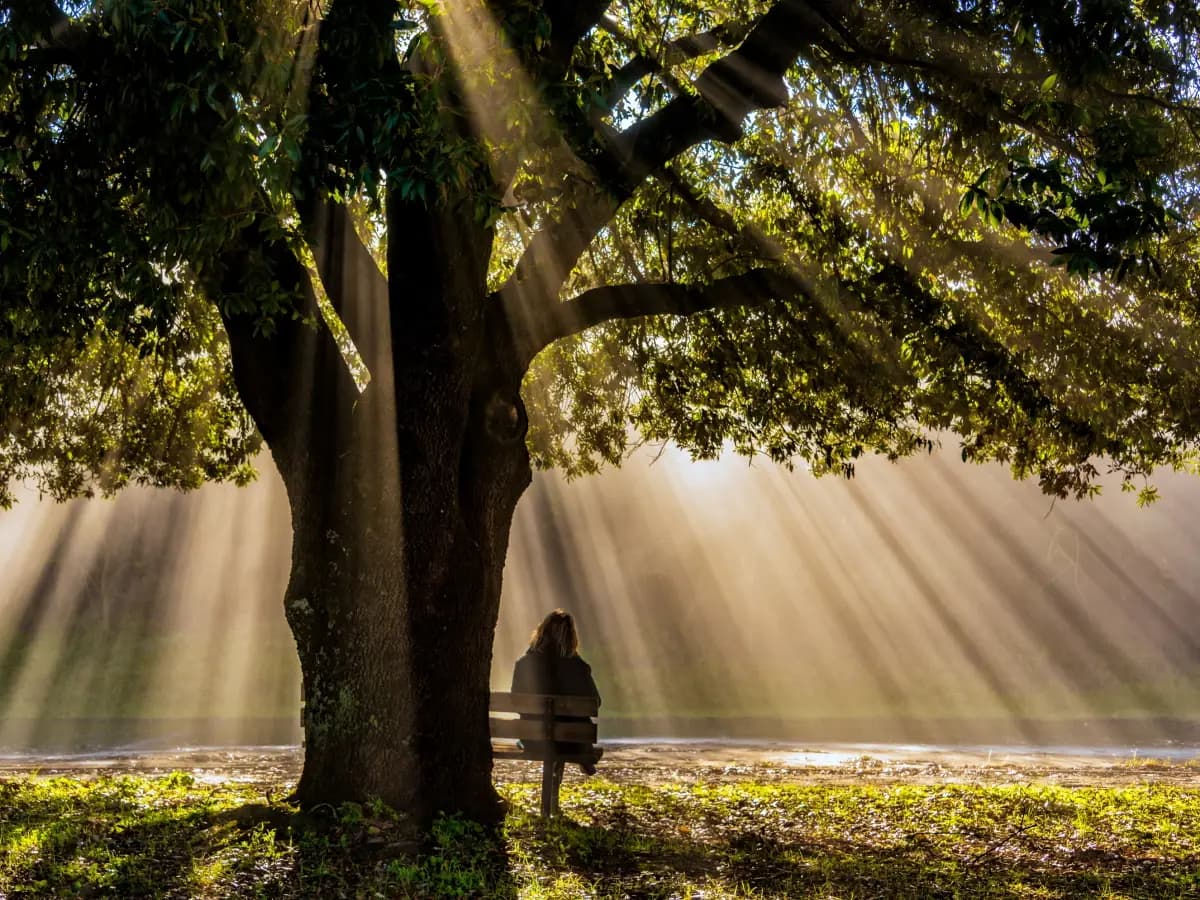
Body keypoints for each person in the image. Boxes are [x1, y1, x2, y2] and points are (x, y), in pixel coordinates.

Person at [511, 609, 603, 777]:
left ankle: (570, 761)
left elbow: (516, 703)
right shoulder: (579, 667)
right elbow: (595, 702)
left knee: (547, 726)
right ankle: (584, 757)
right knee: (572, 722)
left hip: (533, 740)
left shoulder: (524, 664)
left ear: (541, 633)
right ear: (571, 637)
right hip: (572, 742)